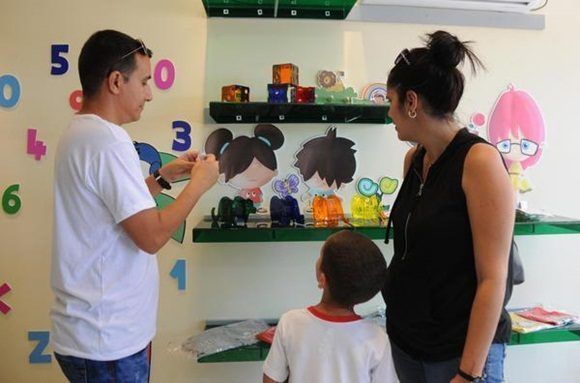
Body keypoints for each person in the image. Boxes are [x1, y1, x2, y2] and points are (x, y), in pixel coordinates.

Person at [50, 30, 219, 382]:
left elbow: (110, 212)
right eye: (143, 82)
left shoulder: (80, 133)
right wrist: (199, 186)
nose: (150, 94)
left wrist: (162, 178)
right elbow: (152, 236)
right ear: (115, 81)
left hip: (91, 334)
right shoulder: (109, 141)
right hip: (106, 339)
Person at [382, 31, 515, 383]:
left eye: (390, 100)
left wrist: (469, 373)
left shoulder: (480, 162)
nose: (389, 112)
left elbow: (493, 278)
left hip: (460, 354)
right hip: (409, 344)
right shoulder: (414, 159)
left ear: (411, 101)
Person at [263, 230, 397, 383]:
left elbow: (270, 379)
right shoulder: (377, 338)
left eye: (321, 255)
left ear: (322, 278)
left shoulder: (291, 322)